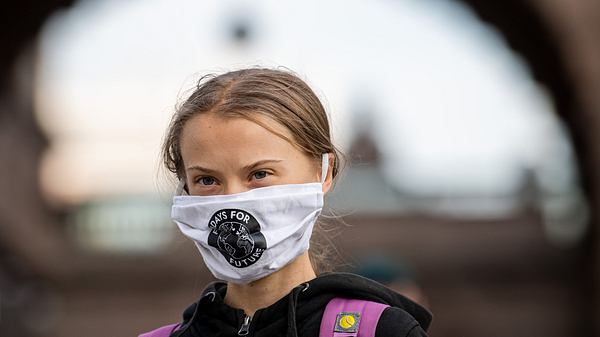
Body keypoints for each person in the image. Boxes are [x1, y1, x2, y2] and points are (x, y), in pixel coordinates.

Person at [143, 68, 432, 337]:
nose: (232, 198)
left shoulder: (382, 331)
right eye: (207, 180)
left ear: (324, 173)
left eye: (259, 174)